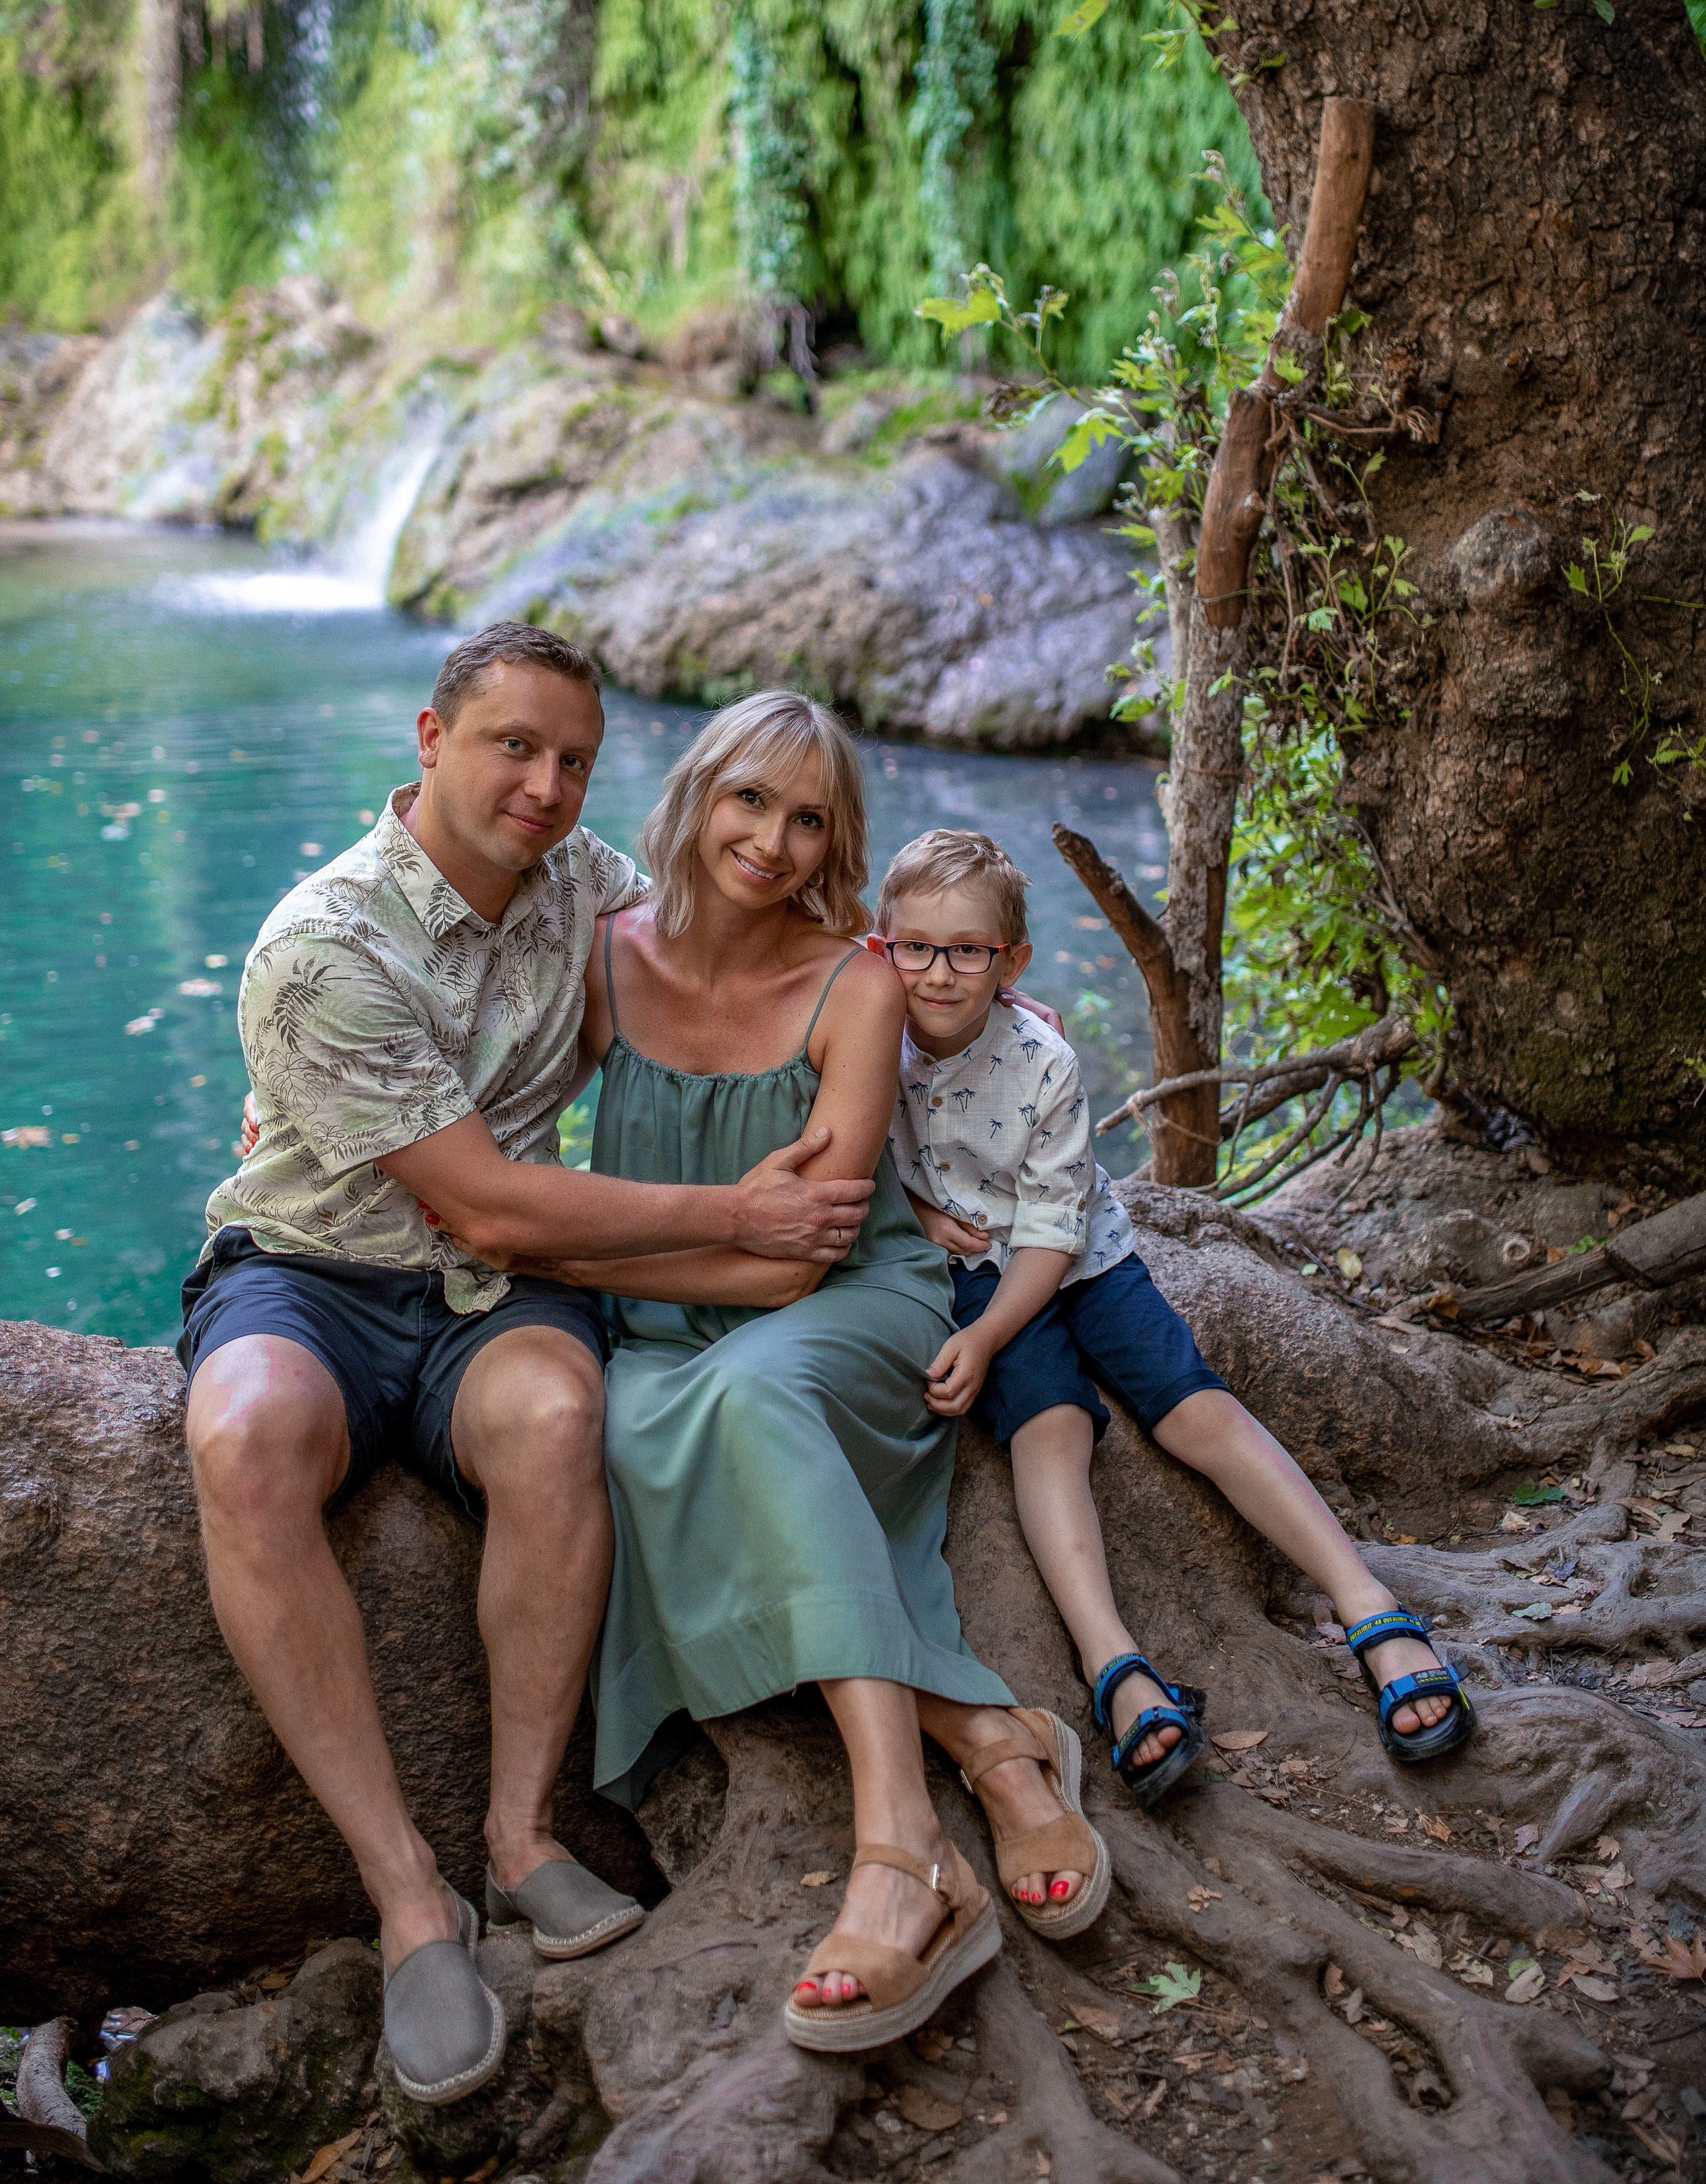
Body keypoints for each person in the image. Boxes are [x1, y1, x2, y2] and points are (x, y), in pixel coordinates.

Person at [186, 625, 879, 2107]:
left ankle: (522, 1841)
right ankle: (410, 1900)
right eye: (514, 747)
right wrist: (733, 1215)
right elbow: (487, 1197)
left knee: (559, 1412)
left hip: (496, 1295)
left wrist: (947, 993)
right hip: (315, 1273)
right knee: (243, 1440)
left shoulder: (583, 887)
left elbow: (733, 924)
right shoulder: (325, 947)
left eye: (573, 761)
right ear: (430, 740)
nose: (546, 786)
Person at [464, 690, 1119, 2055]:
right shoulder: (606, 955)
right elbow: (494, 1106)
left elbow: (787, 1265)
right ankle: (992, 1743)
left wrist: (586, 1249)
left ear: (835, 848)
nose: (769, 838)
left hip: (852, 1303)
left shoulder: (857, 982)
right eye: (750, 798)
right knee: (626, 1430)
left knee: (755, 1390)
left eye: (807, 818)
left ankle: (902, 1855)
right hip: (650, 1328)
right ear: (700, 794)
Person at [872, 829, 1473, 1797]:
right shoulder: (869, 1041)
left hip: (1079, 1257)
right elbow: (855, 1152)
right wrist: (924, 1217)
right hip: (972, 1271)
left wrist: (983, 1339)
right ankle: (1115, 1665)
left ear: (1010, 960)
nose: (939, 973)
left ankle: (1368, 1604)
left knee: (1197, 1410)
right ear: (882, 944)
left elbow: (1057, 1230)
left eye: (968, 950)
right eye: (917, 946)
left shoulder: (1043, 1057)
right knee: (1050, 1428)